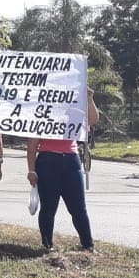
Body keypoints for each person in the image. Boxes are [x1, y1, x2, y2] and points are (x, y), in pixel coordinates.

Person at [25, 87, 100, 250]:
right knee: (49, 207)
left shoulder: (75, 111)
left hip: (72, 161)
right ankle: (47, 245)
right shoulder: (42, 114)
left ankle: (88, 245)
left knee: (78, 207)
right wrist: (31, 170)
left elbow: (93, 120)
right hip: (48, 161)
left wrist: (89, 98)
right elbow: (32, 147)